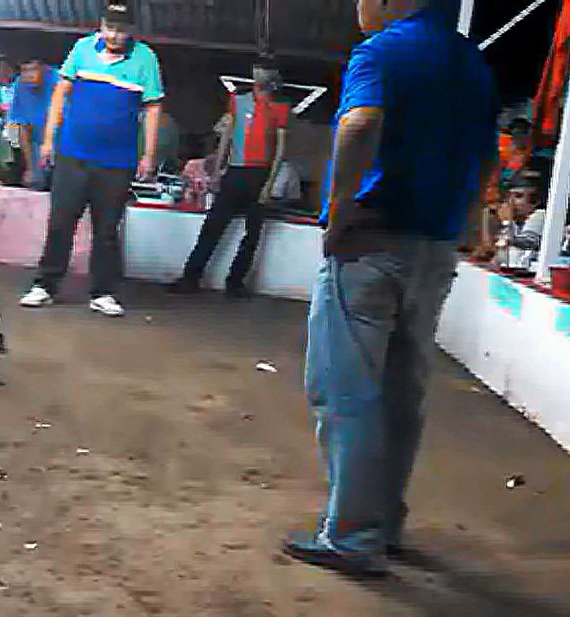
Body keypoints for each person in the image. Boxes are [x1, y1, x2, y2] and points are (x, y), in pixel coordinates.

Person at [281, 0, 500, 577]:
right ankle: (386, 522)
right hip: (435, 248)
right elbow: (485, 157)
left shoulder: (381, 51)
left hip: (372, 243)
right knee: (405, 392)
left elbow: (359, 123)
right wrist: (467, 218)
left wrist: (339, 210)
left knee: (346, 388)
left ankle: (352, 536)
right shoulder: (473, 63)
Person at [17, 1, 164, 318]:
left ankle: (103, 292)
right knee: (60, 223)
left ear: (131, 31)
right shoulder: (82, 49)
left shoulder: (145, 59)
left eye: (121, 29)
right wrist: (48, 139)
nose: (114, 34)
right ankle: (45, 284)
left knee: (107, 230)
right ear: (101, 26)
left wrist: (149, 154)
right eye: (110, 27)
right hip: (72, 155)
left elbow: (153, 108)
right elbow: (60, 92)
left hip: (117, 162)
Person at [169, 64, 291, 297]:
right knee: (213, 227)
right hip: (235, 171)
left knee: (252, 234)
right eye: (258, 70)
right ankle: (191, 277)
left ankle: (235, 282)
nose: (260, 75)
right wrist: (217, 170)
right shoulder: (239, 100)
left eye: (266, 72)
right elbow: (227, 134)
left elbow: (280, 149)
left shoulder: (280, 107)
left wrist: (268, 184)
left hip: (260, 173)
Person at [9, 59, 58, 190]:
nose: (28, 75)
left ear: (45, 69)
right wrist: (30, 167)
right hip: (36, 143)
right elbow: (21, 126)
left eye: (33, 69)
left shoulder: (59, 81)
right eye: (24, 71)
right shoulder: (19, 84)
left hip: (62, 142)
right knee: (36, 182)